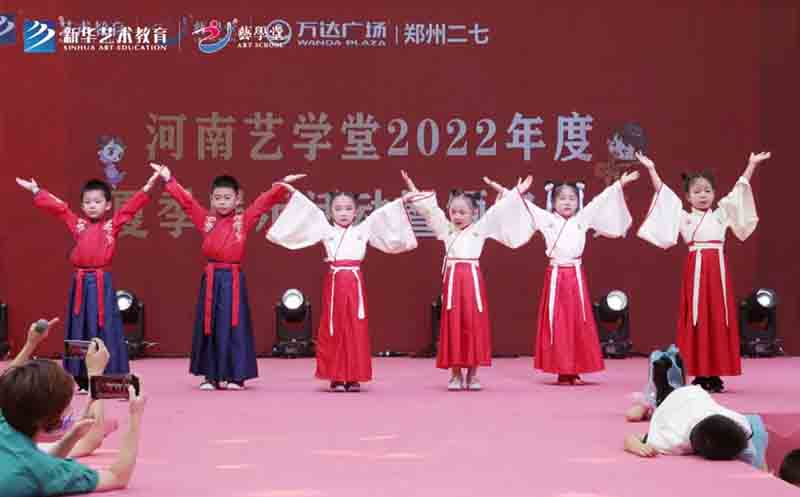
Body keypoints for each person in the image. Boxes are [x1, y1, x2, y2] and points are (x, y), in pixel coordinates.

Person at [636, 151, 771, 392]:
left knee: (718, 317)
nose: (703, 195)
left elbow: (739, 190)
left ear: (714, 194)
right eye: (697, 191)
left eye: (707, 190)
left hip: (717, 272)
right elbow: (664, 196)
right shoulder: (684, 218)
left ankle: (715, 373)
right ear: (688, 197)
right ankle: (699, 371)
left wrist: (751, 164)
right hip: (696, 270)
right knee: (697, 318)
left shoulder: (721, 215)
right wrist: (651, 169)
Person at [267, 185, 417, 392]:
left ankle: (354, 376)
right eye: (338, 209)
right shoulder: (326, 229)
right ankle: (336, 376)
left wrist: (403, 201)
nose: (343, 213)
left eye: (348, 208)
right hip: (335, 282)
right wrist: (293, 193)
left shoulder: (362, 229)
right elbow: (309, 210)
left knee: (355, 328)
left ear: (356, 212)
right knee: (335, 327)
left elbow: (383, 214)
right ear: (331, 212)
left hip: (354, 283)